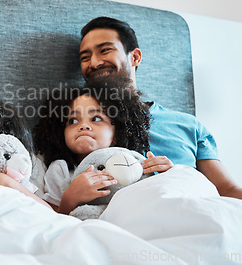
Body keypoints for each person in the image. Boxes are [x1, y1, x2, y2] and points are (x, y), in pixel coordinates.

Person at [78, 16, 242, 199]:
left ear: (135, 57)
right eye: (85, 57)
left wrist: (177, 175)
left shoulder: (188, 125)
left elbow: (227, 190)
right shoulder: (78, 128)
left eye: (105, 50)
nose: (94, 63)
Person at [33, 75, 172, 213]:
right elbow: (52, 217)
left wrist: (169, 174)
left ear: (117, 134)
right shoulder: (61, 169)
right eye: (73, 121)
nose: (83, 126)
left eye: (96, 118)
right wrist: (70, 198)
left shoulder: (133, 164)